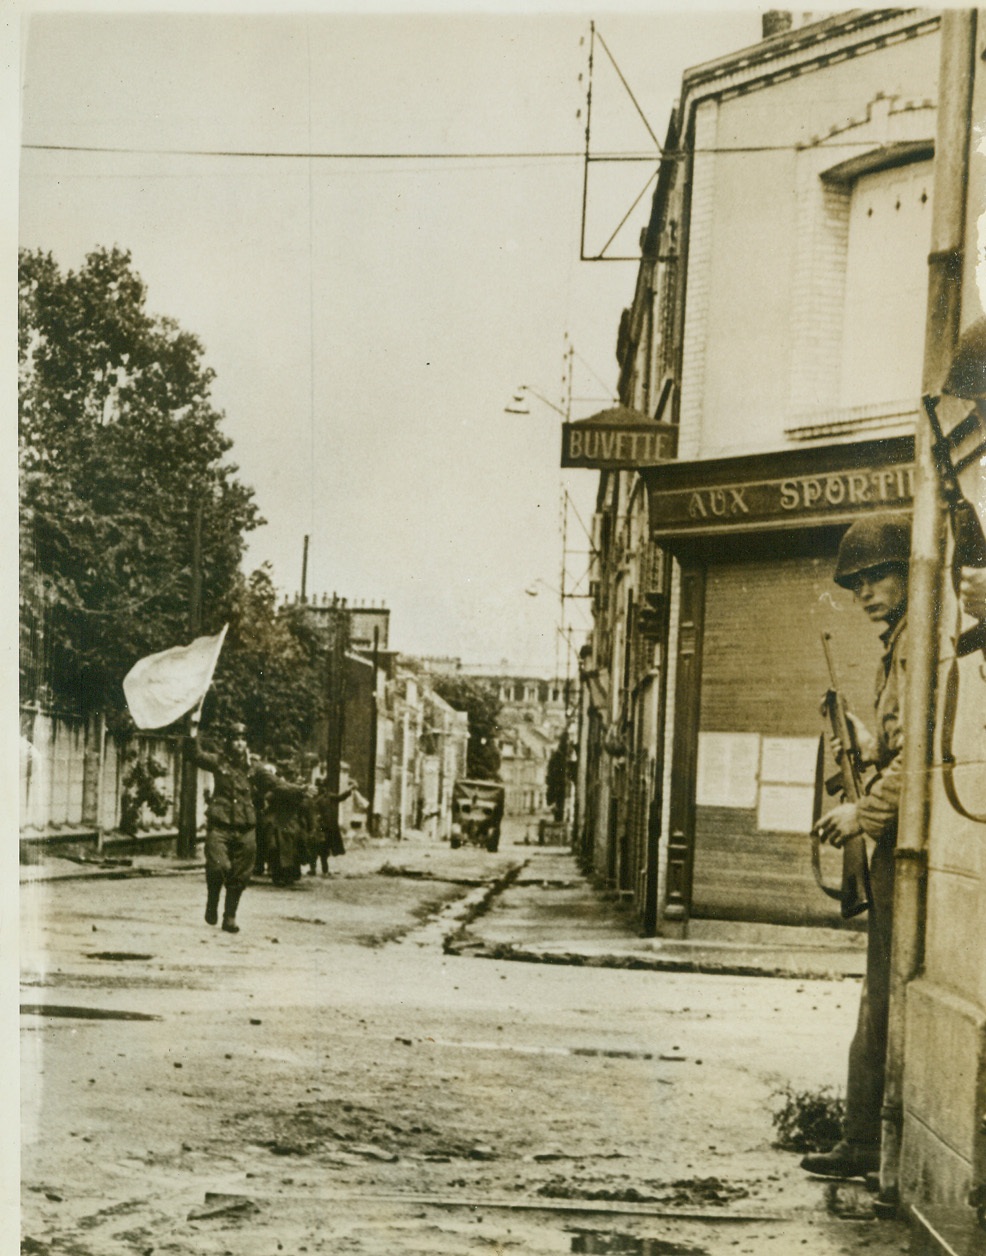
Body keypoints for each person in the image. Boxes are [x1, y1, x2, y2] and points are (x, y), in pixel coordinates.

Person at [802, 513, 910, 1179]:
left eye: (878, 576)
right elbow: (901, 748)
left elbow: (924, 755)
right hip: (897, 842)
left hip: (903, 840)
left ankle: (866, 1144)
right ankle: (865, 1139)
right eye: (858, 583)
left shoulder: (915, 643)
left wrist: (863, 815)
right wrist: (866, 746)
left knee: (881, 997)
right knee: (877, 993)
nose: (866, 592)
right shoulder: (898, 643)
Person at [193, 721, 260, 934]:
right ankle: (212, 901)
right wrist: (193, 730)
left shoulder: (253, 768)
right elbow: (196, 755)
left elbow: (275, 783)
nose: (239, 744)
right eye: (235, 739)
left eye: (242, 739)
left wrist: (301, 789)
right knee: (218, 867)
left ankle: (229, 916)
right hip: (220, 826)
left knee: (240, 874)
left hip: (245, 827)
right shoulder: (218, 762)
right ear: (228, 742)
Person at [311, 776, 353, 875]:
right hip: (316, 826)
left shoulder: (328, 796)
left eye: (323, 786)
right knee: (313, 848)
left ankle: (324, 870)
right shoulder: (313, 798)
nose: (322, 788)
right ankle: (313, 869)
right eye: (319, 786)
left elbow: (340, 797)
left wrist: (349, 790)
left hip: (325, 827)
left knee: (323, 849)